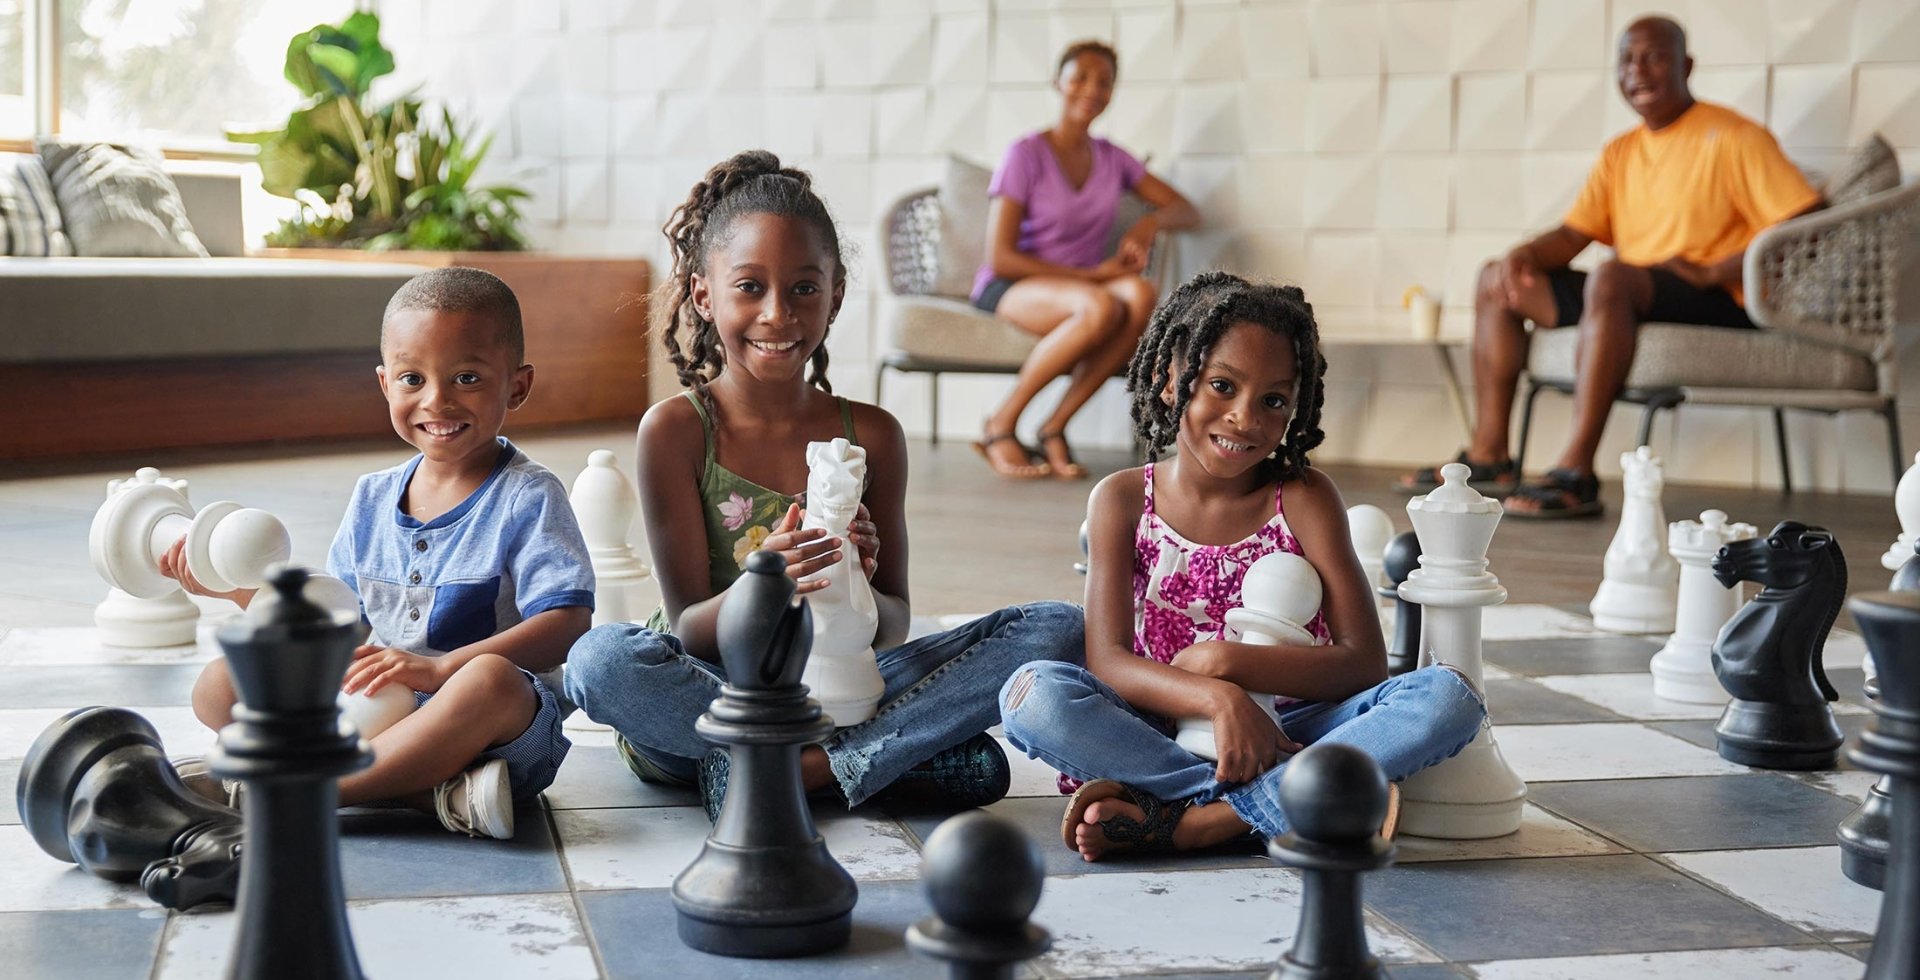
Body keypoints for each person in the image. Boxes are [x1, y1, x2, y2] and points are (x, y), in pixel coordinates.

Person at [564, 150, 1085, 820]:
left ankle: (787, 774)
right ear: (703, 294)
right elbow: (693, 631)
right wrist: (763, 584)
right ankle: (863, 761)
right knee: (601, 662)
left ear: (835, 295)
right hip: (717, 693)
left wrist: (861, 583)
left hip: (839, 690)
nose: (778, 314)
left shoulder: (871, 436)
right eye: (749, 287)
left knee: (1058, 629)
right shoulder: (677, 431)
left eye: (804, 288)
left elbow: (892, 624)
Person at [998, 272, 1486, 862]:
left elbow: (1363, 664)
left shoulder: (1304, 497)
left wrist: (1227, 661)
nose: (1245, 418)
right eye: (1223, 386)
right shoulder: (1122, 499)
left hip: (1294, 725)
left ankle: (1194, 821)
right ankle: (1290, 798)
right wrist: (1217, 700)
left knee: (1448, 696)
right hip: (1161, 725)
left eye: (1273, 400)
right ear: (1169, 380)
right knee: (1031, 695)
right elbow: (1109, 661)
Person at [166, 267, 595, 840]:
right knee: (221, 684)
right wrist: (231, 589)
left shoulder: (528, 496)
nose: (436, 400)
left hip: (489, 732)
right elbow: (339, 623)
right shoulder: (371, 496)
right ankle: (431, 794)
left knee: (489, 679)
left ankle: (306, 789)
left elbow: (569, 622)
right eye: (412, 378)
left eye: (467, 377)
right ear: (384, 383)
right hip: (375, 709)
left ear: (516, 386)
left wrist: (442, 668)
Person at [1397, 16, 1823, 518]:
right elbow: (1576, 234)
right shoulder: (1621, 151)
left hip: (1715, 296)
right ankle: (1491, 457)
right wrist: (1525, 256)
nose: (1638, 69)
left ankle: (1576, 470)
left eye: (1654, 56)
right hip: (1626, 293)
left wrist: (1714, 272)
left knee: (1612, 276)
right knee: (1497, 279)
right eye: (1627, 58)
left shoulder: (1733, 136)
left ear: (1686, 65)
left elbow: (1810, 225)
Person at [972, 39, 1200, 481]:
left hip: (1087, 287)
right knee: (1100, 305)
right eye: (1080, 77)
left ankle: (1054, 425)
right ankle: (1000, 425)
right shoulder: (1026, 153)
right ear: (1058, 82)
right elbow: (1000, 257)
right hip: (1013, 286)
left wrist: (1147, 224)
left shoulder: (1113, 159)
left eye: (1104, 82)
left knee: (1139, 293)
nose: (1092, 89)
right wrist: (1091, 275)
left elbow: (1186, 210)